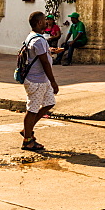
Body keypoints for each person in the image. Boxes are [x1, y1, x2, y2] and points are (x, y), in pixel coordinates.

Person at [21, 11, 59, 152]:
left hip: (42, 80)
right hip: (36, 81)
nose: (47, 22)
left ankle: (27, 130)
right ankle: (27, 140)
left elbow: (42, 54)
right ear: (39, 23)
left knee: (49, 103)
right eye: (44, 21)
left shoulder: (35, 37)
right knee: (32, 110)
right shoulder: (38, 40)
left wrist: (51, 51)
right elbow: (44, 62)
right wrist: (53, 82)